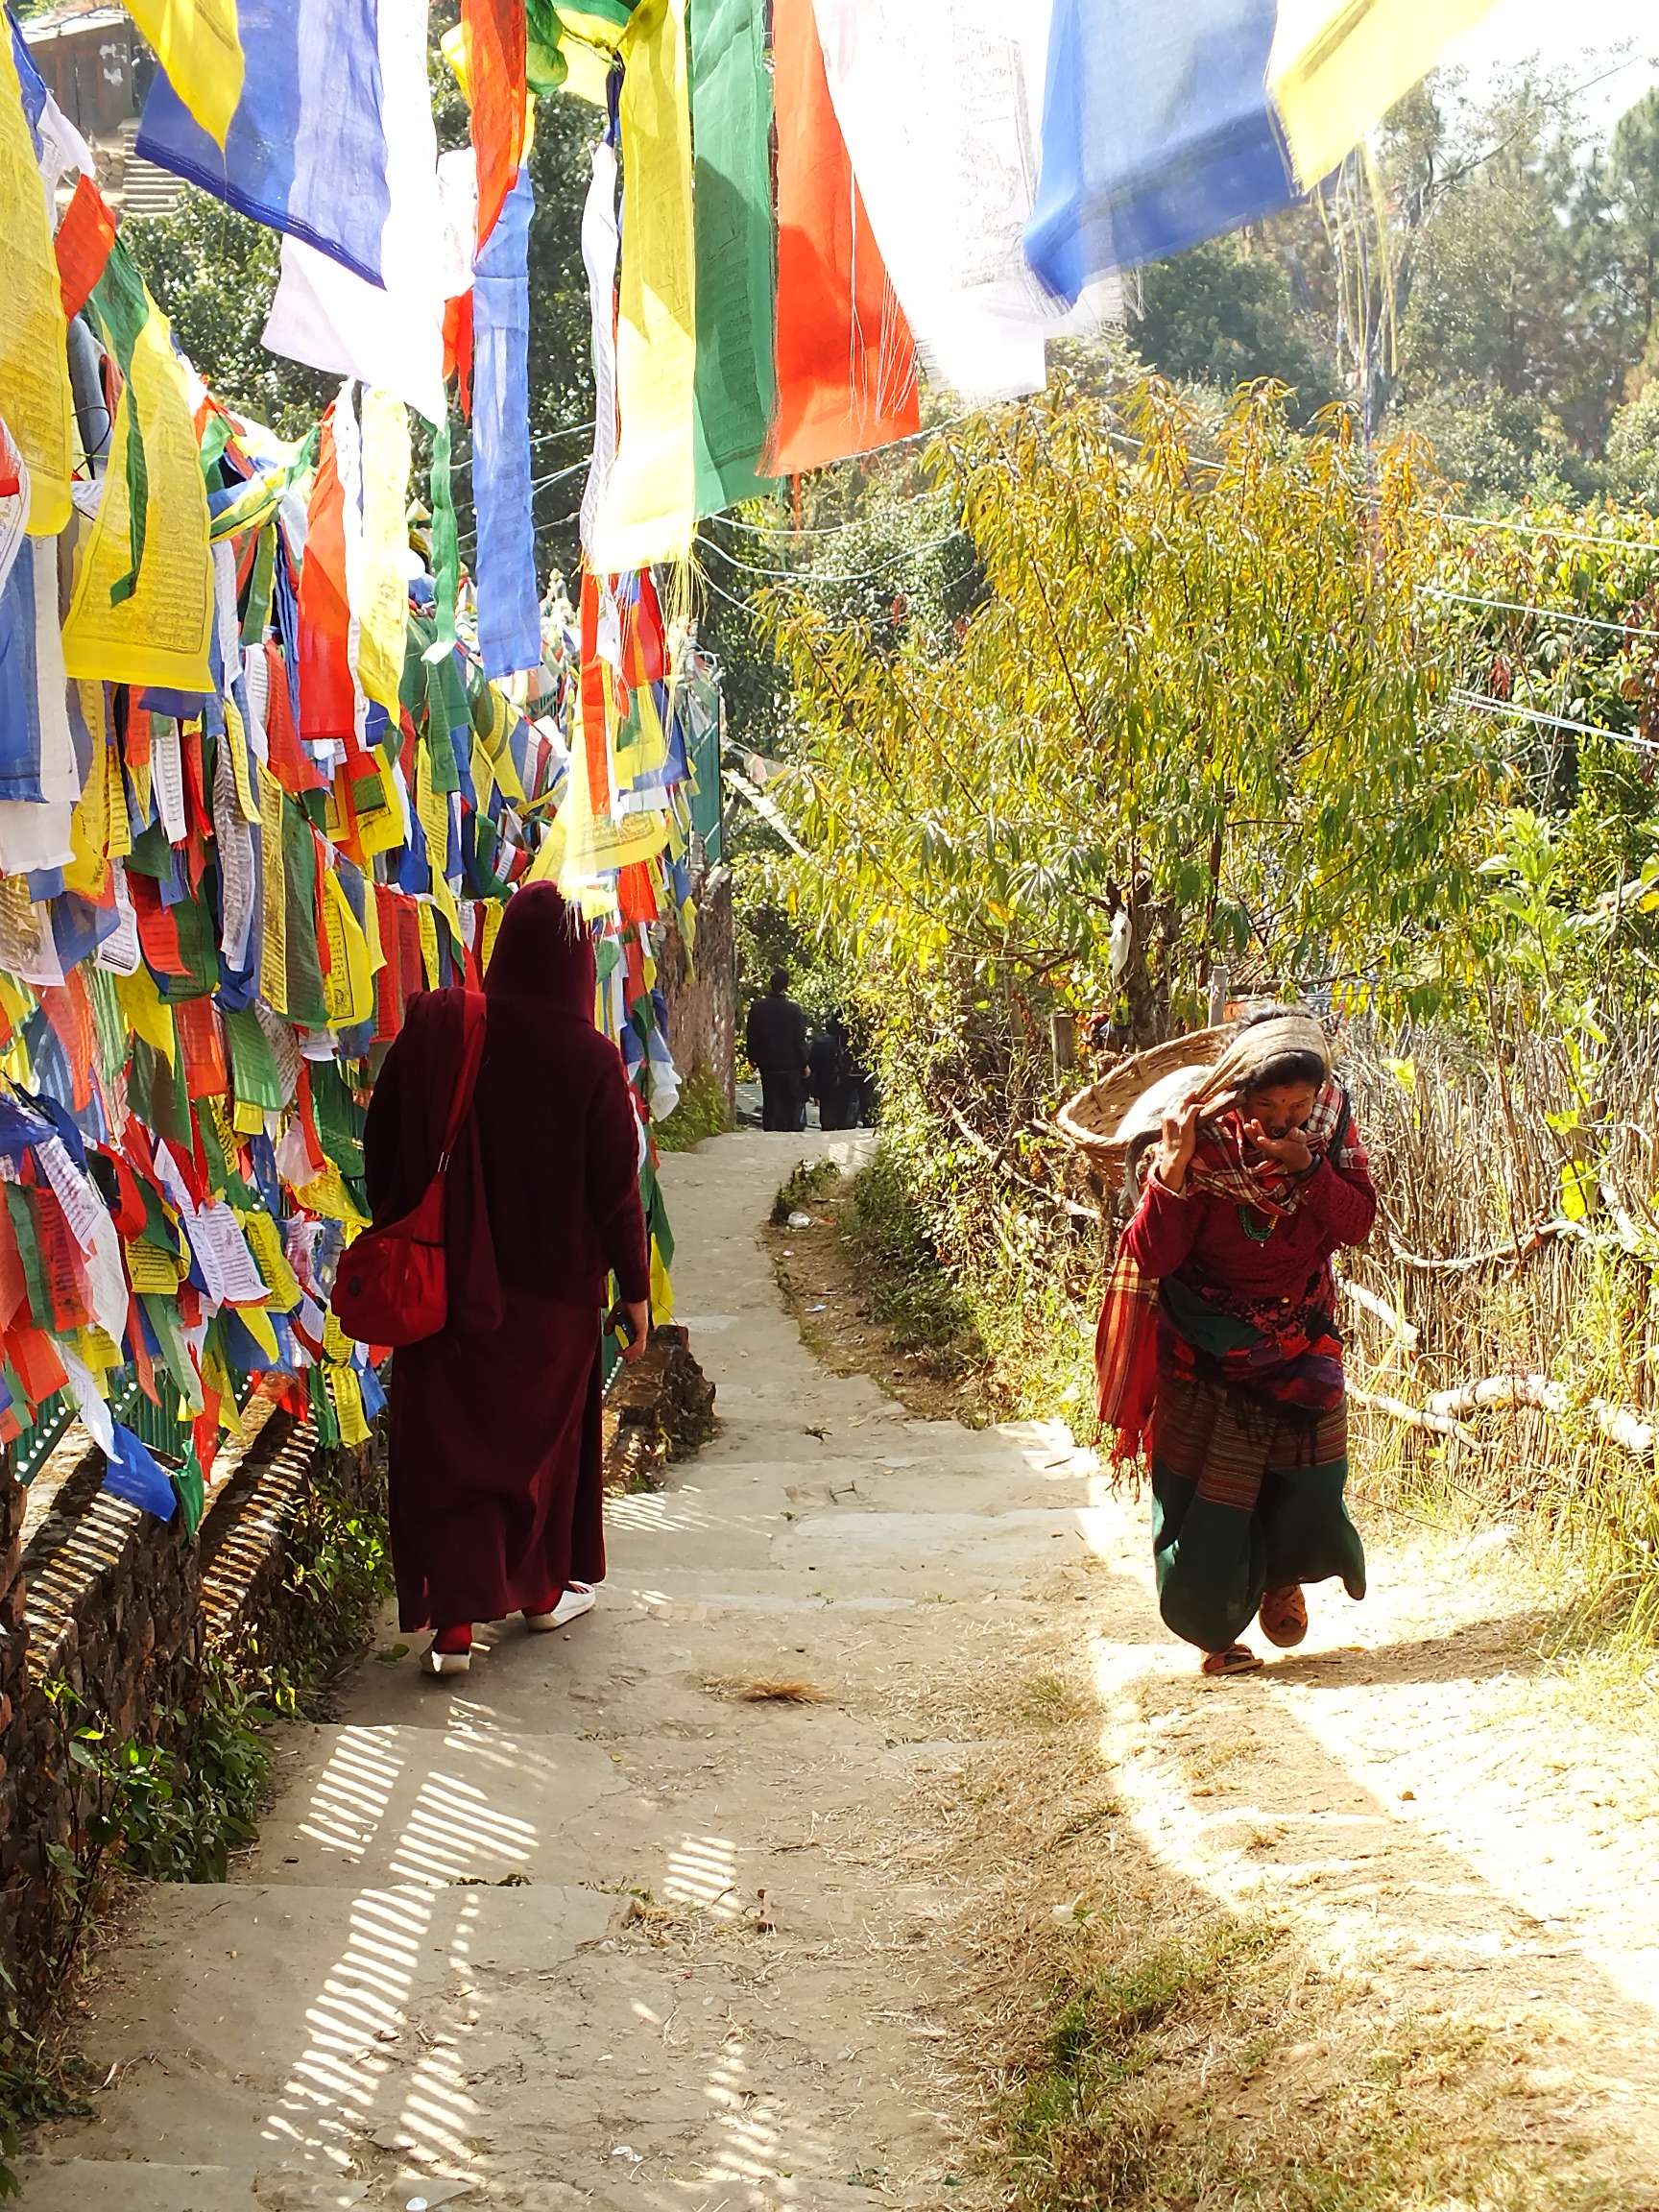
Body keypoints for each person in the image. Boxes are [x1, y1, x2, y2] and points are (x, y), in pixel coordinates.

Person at [363, 884, 651, 1677]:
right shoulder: (591, 1058)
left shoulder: (450, 1032)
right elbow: (614, 1188)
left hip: (450, 1287)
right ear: (576, 964)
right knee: (542, 1458)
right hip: (554, 1300)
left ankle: (453, 1630)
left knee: (452, 1450)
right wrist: (634, 1289)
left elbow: (381, 1138)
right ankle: (540, 1595)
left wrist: (406, 1222)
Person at [1094, 1008, 1374, 1677]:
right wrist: (1175, 1170)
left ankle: (1280, 1578)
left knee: (1309, 1481)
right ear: (1235, 1095)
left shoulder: (1328, 1130)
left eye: (1298, 1104)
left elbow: (1357, 1223)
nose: (1282, 1120)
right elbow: (1153, 1256)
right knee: (1207, 1505)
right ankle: (1215, 1633)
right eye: (1266, 1105)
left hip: (1299, 1339)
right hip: (1204, 1350)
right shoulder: (1196, 1137)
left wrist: (1311, 1170)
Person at [745, 968, 810, 1132]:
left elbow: (752, 1033)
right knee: (790, 1102)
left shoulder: (758, 1007)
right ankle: (790, 1132)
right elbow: (799, 1039)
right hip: (791, 1065)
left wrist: (752, 1056)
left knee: (770, 1100)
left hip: (768, 1063)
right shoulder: (794, 1010)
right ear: (786, 986)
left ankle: (770, 1132)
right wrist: (804, 1063)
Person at [808, 1019, 850, 1129]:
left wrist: (814, 1092)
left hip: (825, 1084)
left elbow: (812, 1066)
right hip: (844, 1083)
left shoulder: (819, 1043)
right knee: (844, 1119)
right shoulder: (847, 1043)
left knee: (827, 1120)